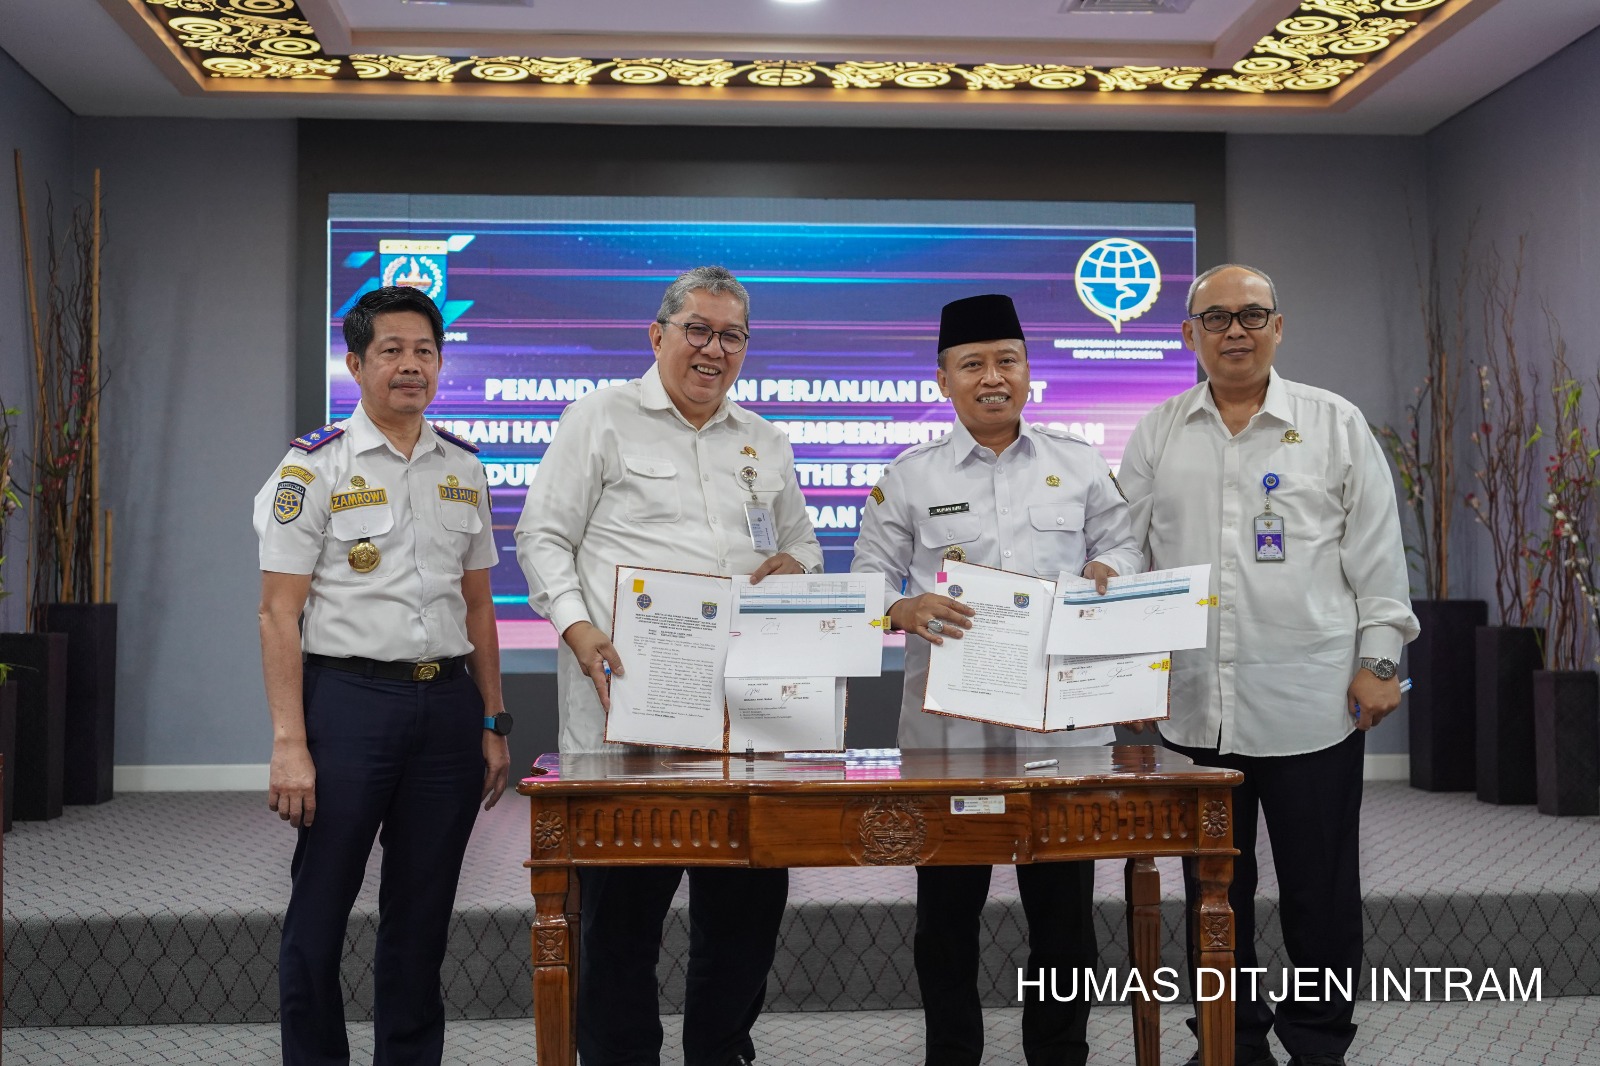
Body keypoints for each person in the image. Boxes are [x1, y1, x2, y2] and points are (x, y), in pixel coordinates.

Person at [514, 265, 823, 1066]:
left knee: (746, 915)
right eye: (698, 330)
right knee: (621, 925)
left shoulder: (766, 441)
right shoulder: (599, 419)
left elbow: (804, 546)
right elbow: (541, 535)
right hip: (629, 728)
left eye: (732, 336)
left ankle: (721, 1055)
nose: (713, 349)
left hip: (744, 729)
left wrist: (796, 566)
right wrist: (577, 627)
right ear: (657, 336)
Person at [1117, 264, 1419, 1066]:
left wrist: (1380, 659)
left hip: (1311, 703)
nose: (1235, 331)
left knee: (1320, 890)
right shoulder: (1157, 433)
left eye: (1252, 315)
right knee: (1214, 892)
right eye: (1216, 318)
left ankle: (1319, 1043)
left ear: (1278, 327)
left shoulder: (1333, 424)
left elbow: (1378, 553)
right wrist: (1126, 669)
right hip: (1195, 710)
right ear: (1189, 335)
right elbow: (1126, 556)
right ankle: (1231, 1040)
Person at [850, 293, 1141, 1066]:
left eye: (1007, 360)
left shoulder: (1078, 463)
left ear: (1028, 371)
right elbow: (865, 578)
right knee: (947, 916)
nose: (992, 377)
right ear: (943, 379)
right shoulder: (909, 477)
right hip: (951, 739)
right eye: (973, 364)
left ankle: (1059, 1054)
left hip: (1063, 734)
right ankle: (952, 1055)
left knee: (1065, 919)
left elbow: (1125, 544)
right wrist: (902, 606)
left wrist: (1109, 569)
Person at [254, 285, 512, 1066]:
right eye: (392, 351)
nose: (410, 365)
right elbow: (277, 614)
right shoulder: (313, 467)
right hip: (348, 705)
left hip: (447, 709)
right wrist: (289, 743)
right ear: (356, 363)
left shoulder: (464, 466)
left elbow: (479, 606)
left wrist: (493, 719)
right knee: (319, 914)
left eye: (424, 351)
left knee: (422, 918)